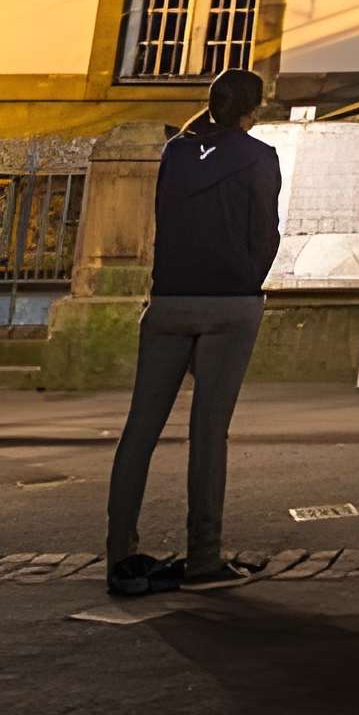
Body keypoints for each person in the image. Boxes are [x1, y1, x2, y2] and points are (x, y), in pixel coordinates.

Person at [106, 68, 283, 595]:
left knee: (140, 429)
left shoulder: (176, 154)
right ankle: (204, 557)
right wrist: (247, 278)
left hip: (169, 299)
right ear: (254, 110)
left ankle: (120, 555)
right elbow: (264, 233)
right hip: (230, 301)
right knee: (208, 432)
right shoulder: (259, 156)